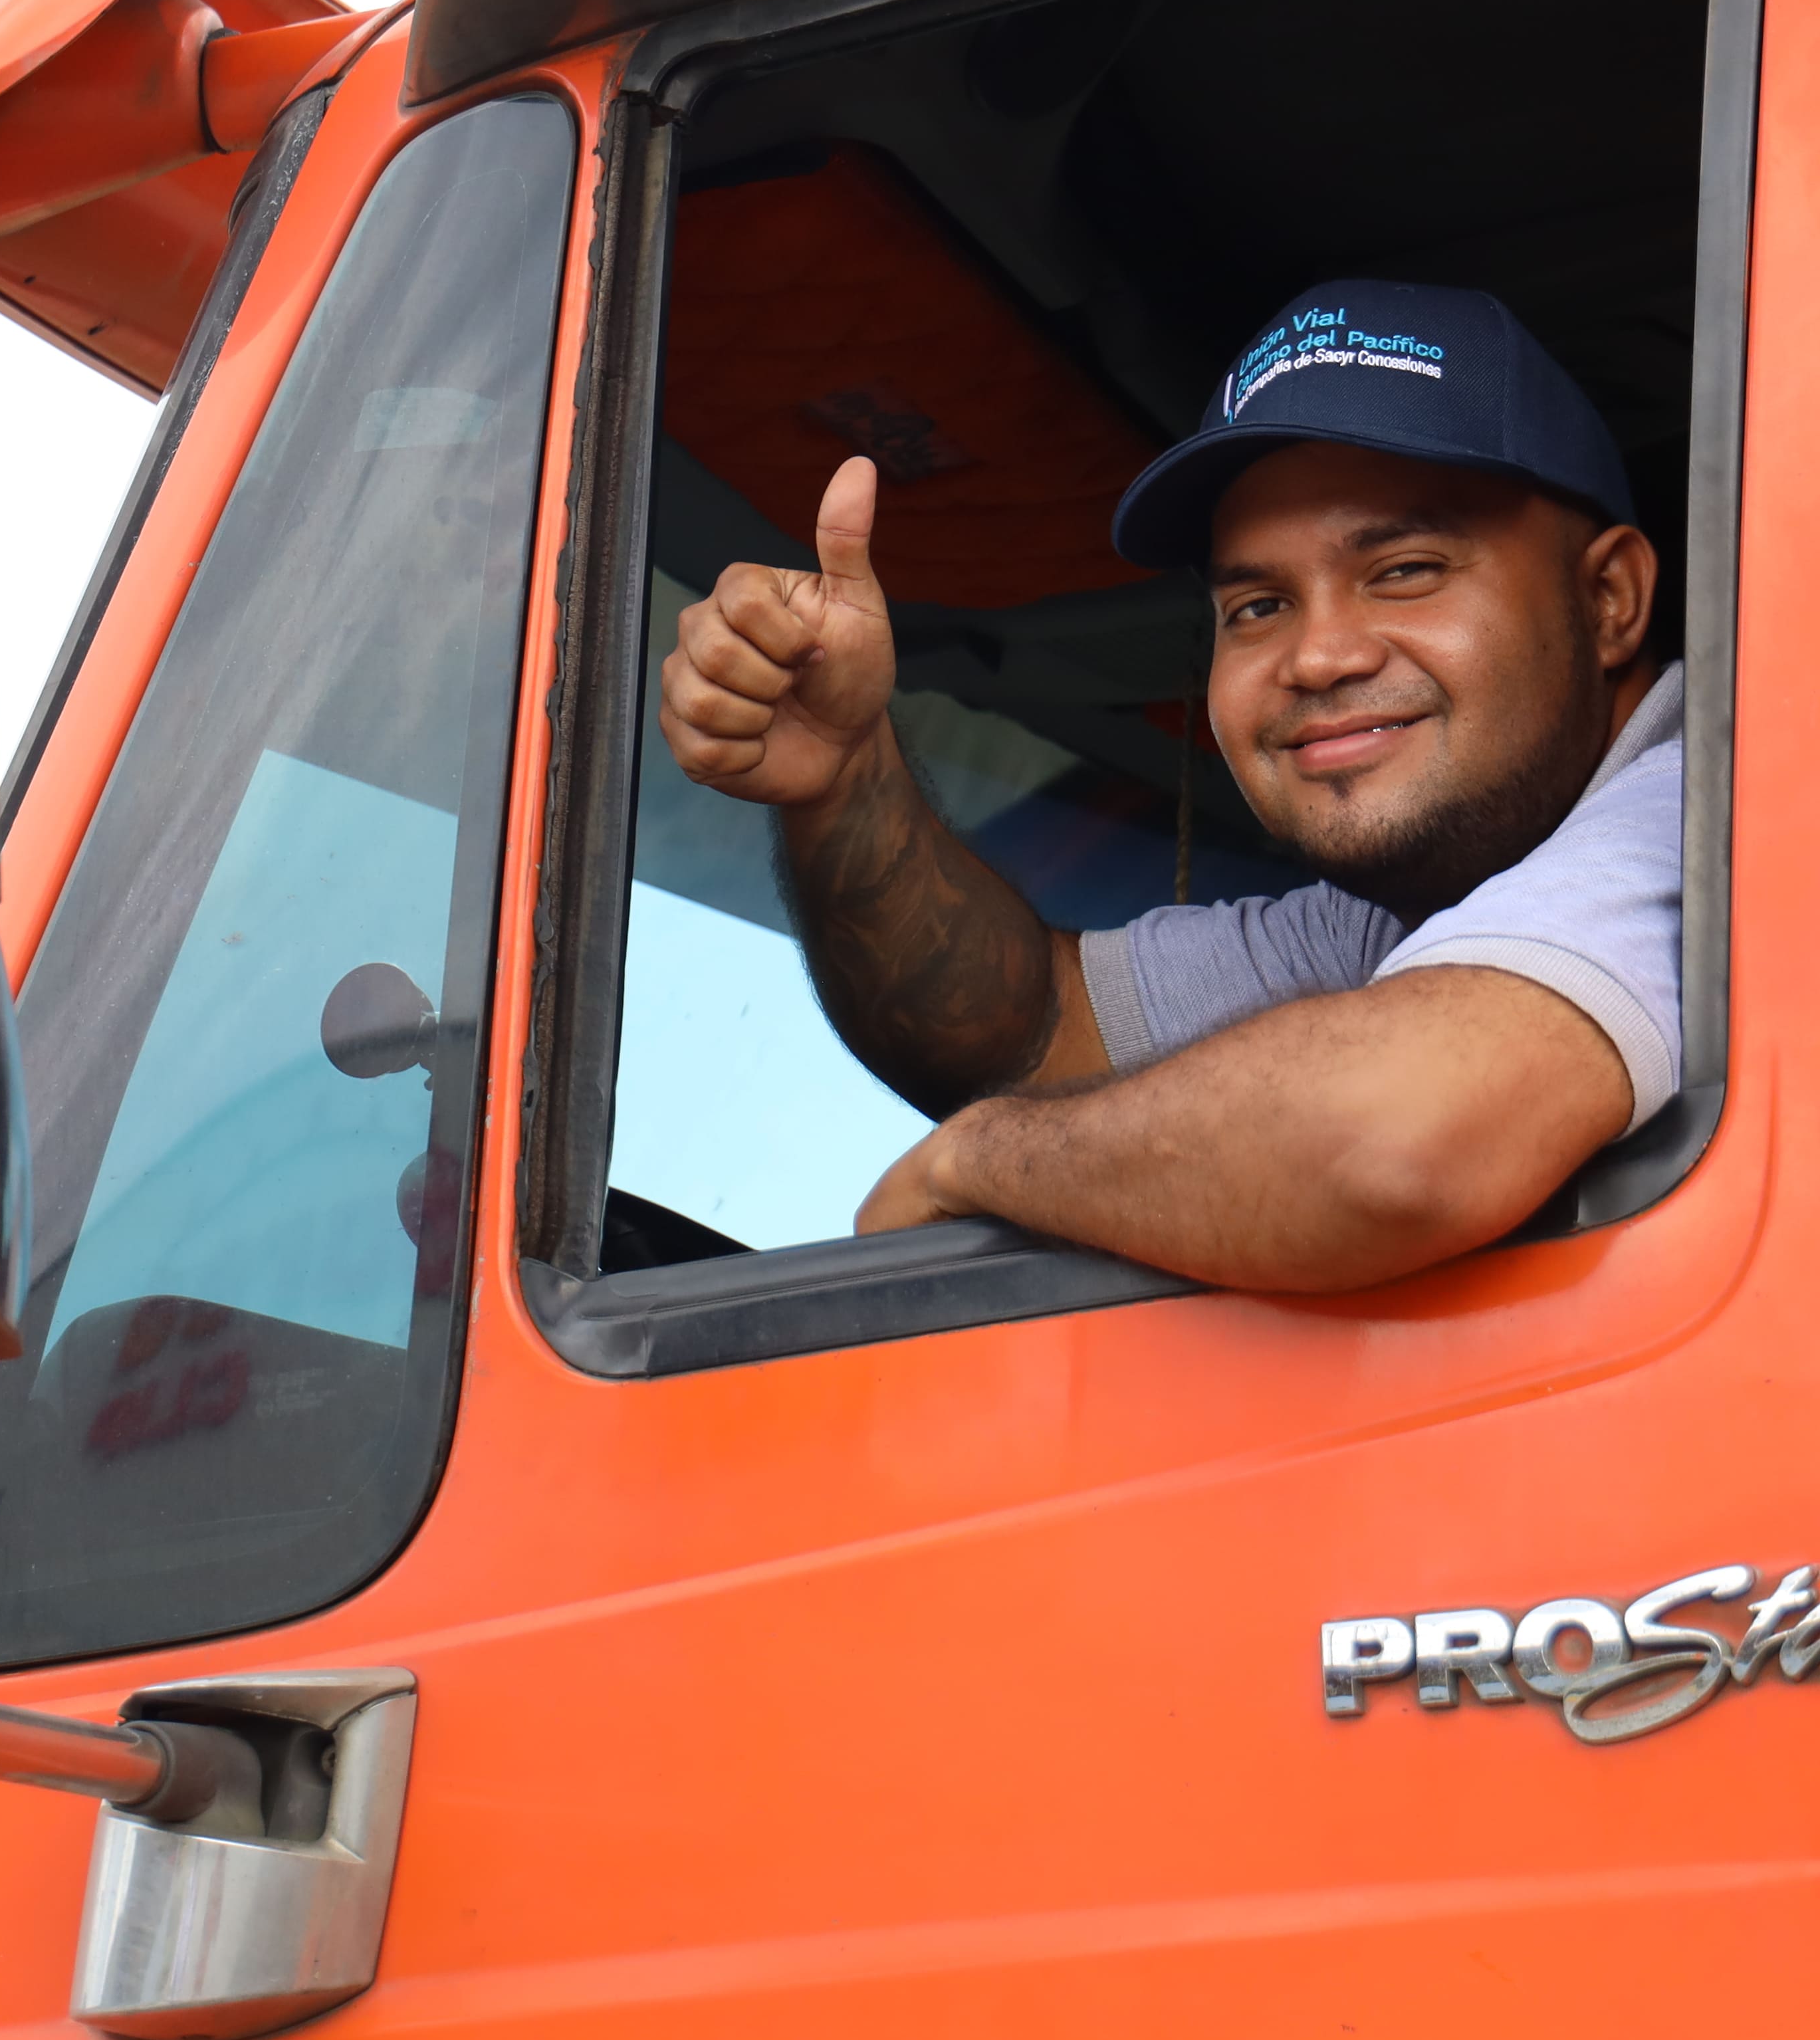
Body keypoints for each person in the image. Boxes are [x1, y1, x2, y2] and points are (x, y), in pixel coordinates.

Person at [653, 278, 1676, 1292]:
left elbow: (1394, 1143)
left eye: (1405, 570)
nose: (1318, 657)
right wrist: (843, 776)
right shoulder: (1404, 914)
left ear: (1609, 599)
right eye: (1259, 606)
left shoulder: (1702, 817)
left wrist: (979, 1159)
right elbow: (1026, 1034)